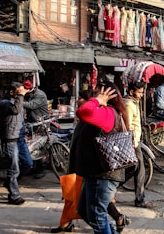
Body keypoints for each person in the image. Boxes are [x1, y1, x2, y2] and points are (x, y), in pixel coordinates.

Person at [51, 89, 129, 233]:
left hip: (102, 174)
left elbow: (83, 111)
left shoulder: (108, 112)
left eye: (99, 92)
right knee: (85, 211)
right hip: (93, 173)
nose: (95, 95)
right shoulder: (103, 113)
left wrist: (97, 101)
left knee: (96, 216)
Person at [0, 81, 29, 205]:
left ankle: (9, 183)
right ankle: (14, 195)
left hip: (20, 139)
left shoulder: (19, 102)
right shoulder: (4, 103)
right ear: (11, 92)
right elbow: (15, 110)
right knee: (13, 169)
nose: (21, 94)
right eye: (18, 92)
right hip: (10, 140)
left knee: (28, 163)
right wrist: (21, 96)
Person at [125, 81, 154, 208]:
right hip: (132, 141)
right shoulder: (129, 104)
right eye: (139, 92)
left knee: (135, 169)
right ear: (131, 92)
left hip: (136, 140)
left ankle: (112, 189)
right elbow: (128, 125)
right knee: (139, 169)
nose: (141, 95)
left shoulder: (133, 103)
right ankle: (139, 199)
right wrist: (132, 141)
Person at [22, 79, 50, 179]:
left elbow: (32, 105)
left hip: (42, 124)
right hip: (32, 124)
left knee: (42, 148)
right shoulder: (29, 96)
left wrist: (19, 101)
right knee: (33, 148)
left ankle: (42, 169)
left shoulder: (40, 95)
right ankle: (33, 168)